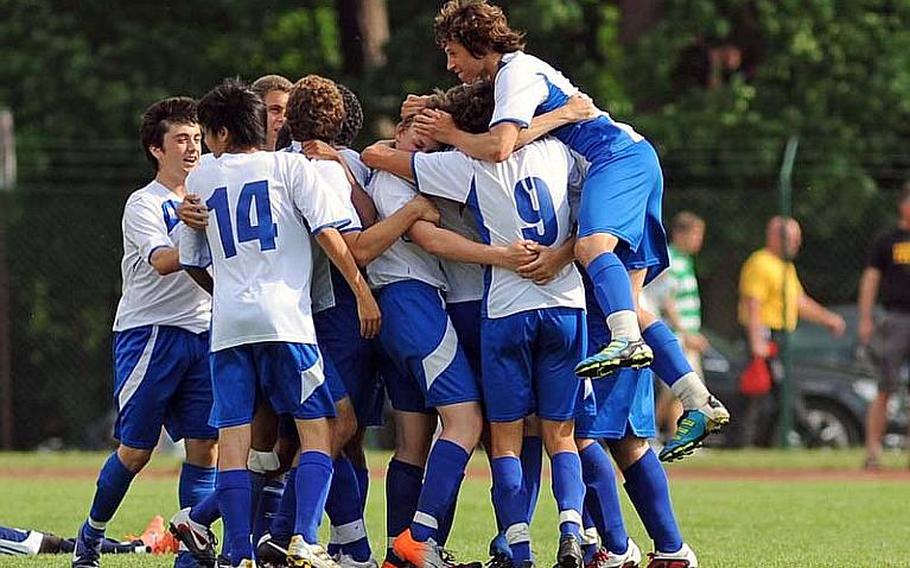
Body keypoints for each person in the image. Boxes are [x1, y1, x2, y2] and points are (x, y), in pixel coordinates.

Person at [407, 0, 729, 462]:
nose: (449, 63)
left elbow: (499, 146)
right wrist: (435, 110)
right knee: (631, 305)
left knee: (592, 247)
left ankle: (625, 342)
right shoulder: (511, 81)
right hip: (630, 160)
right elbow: (514, 133)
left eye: (454, 51)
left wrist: (451, 134)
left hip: (614, 159)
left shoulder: (515, 74)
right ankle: (698, 400)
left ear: (480, 45)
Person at [364, 80, 592, 568]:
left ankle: (492, 542)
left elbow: (384, 158)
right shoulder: (555, 155)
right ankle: (564, 533)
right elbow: (589, 219)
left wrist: (400, 139)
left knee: (502, 431)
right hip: (508, 301)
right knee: (531, 431)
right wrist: (562, 115)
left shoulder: (459, 163)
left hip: (489, 303)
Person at [183, 78, 380, 568]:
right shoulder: (293, 167)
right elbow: (331, 235)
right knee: (320, 429)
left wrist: (227, 290)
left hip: (229, 327)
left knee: (235, 440)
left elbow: (191, 259)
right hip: (287, 322)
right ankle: (305, 537)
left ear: (222, 134)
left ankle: (235, 551)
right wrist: (362, 293)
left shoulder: (203, 178)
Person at [72, 97, 218, 568]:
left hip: (203, 331)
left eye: (197, 138)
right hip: (151, 335)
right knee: (135, 451)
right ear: (157, 149)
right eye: (181, 139)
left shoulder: (213, 192)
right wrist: (196, 231)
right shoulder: (144, 203)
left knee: (206, 447)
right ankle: (90, 536)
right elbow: (161, 261)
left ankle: (190, 555)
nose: (192, 148)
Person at [738, 216, 846, 446]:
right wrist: (757, 340)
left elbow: (799, 302)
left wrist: (829, 319)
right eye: (793, 239)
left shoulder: (785, 267)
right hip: (765, 335)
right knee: (762, 391)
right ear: (776, 237)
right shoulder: (760, 263)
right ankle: (810, 436)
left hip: (780, 337)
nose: (797, 244)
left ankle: (763, 441)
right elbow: (752, 304)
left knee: (777, 392)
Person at [642, 212, 710, 441]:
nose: (698, 240)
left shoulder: (685, 260)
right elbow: (666, 301)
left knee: (679, 392)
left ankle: (677, 437)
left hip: (684, 335)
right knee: (681, 386)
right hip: (675, 336)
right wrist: (685, 333)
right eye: (695, 234)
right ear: (680, 234)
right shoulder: (670, 259)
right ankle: (649, 434)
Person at [859, 182, 910, 470]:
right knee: (885, 387)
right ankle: (873, 452)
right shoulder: (887, 240)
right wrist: (866, 318)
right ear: (903, 205)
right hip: (896, 319)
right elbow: (870, 280)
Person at [251, 74, 293, 151]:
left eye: (289, 112)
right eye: (275, 110)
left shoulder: (301, 159)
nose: (283, 119)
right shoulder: (233, 159)